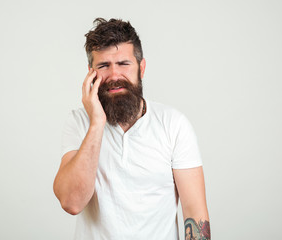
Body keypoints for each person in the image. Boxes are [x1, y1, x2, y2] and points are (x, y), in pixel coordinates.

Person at [53, 18, 210, 240]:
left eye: (124, 64)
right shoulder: (79, 122)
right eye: (104, 66)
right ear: (91, 73)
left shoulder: (174, 124)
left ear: (141, 68)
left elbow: (195, 214)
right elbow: (71, 202)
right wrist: (97, 122)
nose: (115, 75)